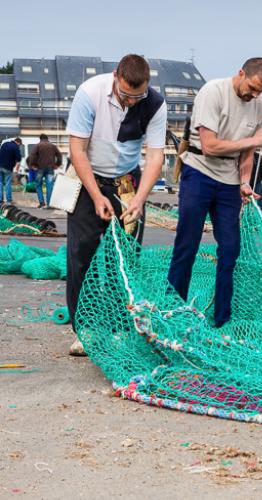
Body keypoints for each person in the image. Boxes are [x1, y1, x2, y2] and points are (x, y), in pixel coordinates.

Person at [65, 54, 168, 356]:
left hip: (127, 183)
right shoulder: (89, 93)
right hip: (89, 180)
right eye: (126, 95)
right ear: (115, 77)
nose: (132, 101)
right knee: (81, 254)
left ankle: (117, 327)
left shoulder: (155, 104)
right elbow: (77, 149)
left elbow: (156, 156)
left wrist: (139, 199)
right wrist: (96, 196)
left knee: (124, 259)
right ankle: (83, 329)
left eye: (139, 96)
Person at [167, 58, 262, 328]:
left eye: (260, 91)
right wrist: (253, 140)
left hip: (229, 181)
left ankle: (222, 319)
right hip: (199, 172)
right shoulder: (213, 92)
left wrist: (245, 182)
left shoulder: (260, 107)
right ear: (240, 74)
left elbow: (248, 154)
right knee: (187, 245)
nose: (254, 95)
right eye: (252, 87)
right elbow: (210, 145)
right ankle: (171, 310)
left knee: (230, 250)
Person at [27, 134, 63, 207]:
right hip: (50, 168)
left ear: (40, 139)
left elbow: (32, 156)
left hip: (40, 168)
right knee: (49, 186)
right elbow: (59, 155)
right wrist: (57, 164)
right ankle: (49, 204)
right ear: (47, 139)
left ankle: (41, 202)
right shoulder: (53, 146)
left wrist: (33, 165)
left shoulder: (38, 146)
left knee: (38, 184)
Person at [0, 138, 22, 203]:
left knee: (0, 183)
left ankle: (0, 200)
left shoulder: (4, 144)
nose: (19, 146)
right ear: (18, 142)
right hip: (8, 167)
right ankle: (9, 199)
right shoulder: (15, 147)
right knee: (8, 183)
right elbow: (19, 158)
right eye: (19, 145)